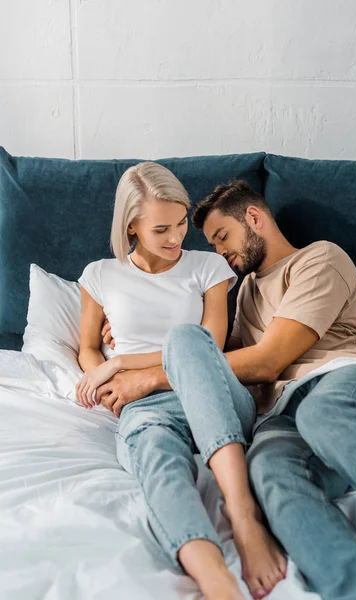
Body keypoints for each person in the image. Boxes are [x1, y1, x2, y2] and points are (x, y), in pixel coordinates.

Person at [101, 179, 356, 600]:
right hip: (283, 412)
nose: (220, 252)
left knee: (322, 413)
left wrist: (151, 377)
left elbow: (267, 360)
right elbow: (207, 357)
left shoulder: (320, 259)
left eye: (222, 236)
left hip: (346, 382)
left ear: (254, 218)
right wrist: (129, 333)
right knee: (268, 473)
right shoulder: (245, 296)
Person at [75, 164, 286, 600]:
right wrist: (100, 369)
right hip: (145, 407)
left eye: (179, 224)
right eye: (160, 229)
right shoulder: (100, 275)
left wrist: (124, 364)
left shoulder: (207, 267)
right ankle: (214, 577)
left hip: (215, 394)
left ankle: (243, 516)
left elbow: (208, 343)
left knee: (187, 338)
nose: (176, 239)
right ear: (131, 226)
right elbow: (88, 349)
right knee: (155, 456)